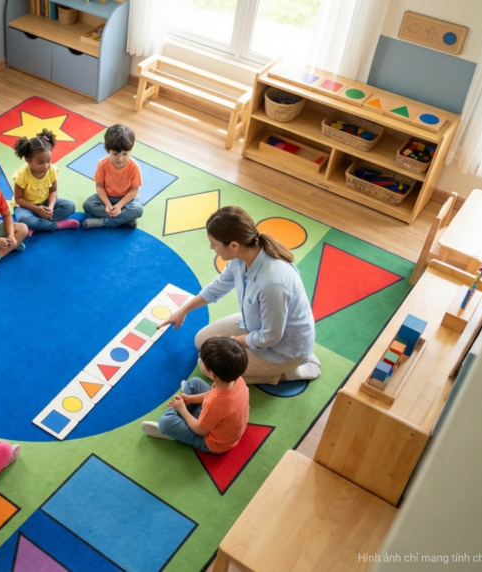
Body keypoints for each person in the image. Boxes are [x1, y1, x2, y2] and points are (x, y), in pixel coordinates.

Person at [159, 206, 321, 385]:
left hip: (282, 349)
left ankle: (291, 372)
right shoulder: (241, 257)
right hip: (256, 323)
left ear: (234, 245)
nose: (212, 247)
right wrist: (184, 310)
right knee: (201, 342)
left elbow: (270, 337)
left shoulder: (273, 283)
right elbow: (217, 287)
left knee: (208, 367)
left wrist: (233, 342)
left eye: (214, 244)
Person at [142, 337, 250, 453]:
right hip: (222, 419)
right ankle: (184, 418)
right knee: (194, 382)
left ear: (212, 374)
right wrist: (191, 399)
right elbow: (213, 394)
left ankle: (174, 431)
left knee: (165, 423)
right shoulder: (237, 379)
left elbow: (201, 430)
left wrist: (182, 409)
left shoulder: (214, 403)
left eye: (202, 361)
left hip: (214, 443)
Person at [12, 128, 79, 232]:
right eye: (40, 162)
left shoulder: (52, 170)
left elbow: (53, 191)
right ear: (28, 160)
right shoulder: (22, 175)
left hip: (45, 202)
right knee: (23, 219)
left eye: (48, 161)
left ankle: (37, 224)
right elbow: (19, 199)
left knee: (70, 206)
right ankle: (57, 225)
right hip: (26, 207)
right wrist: (36, 209)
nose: (46, 166)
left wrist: (50, 208)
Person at [82, 124, 144, 229]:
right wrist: (107, 204)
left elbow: (134, 191)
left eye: (125, 154)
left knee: (138, 209)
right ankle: (125, 220)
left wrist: (119, 205)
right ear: (107, 150)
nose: (120, 159)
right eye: (115, 154)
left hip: (126, 200)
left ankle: (103, 222)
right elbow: (99, 186)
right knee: (88, 205)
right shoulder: (102, 164)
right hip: (107, 197)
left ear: (131, 150)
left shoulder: (135, 167)